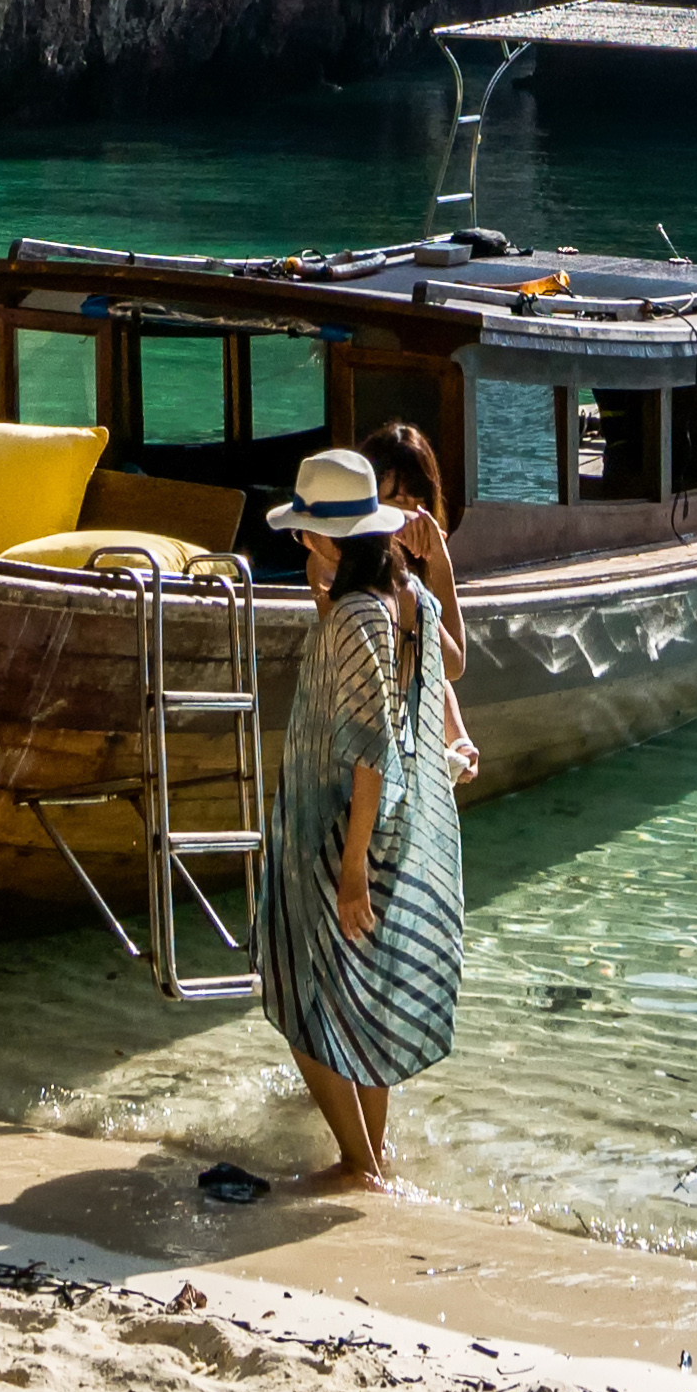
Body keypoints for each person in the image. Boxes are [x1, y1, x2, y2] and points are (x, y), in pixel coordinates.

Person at [259, 429, 469, 1190]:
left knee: (301, 997)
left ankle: (357, 1161)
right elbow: (445, 669)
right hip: (382, 824)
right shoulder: (395, 596)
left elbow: (369, 747)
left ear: (321, 533)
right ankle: (371, 1156)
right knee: (365, 993)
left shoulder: (354, 616)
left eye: (306, 527)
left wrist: (349, 869)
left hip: (338, 829)